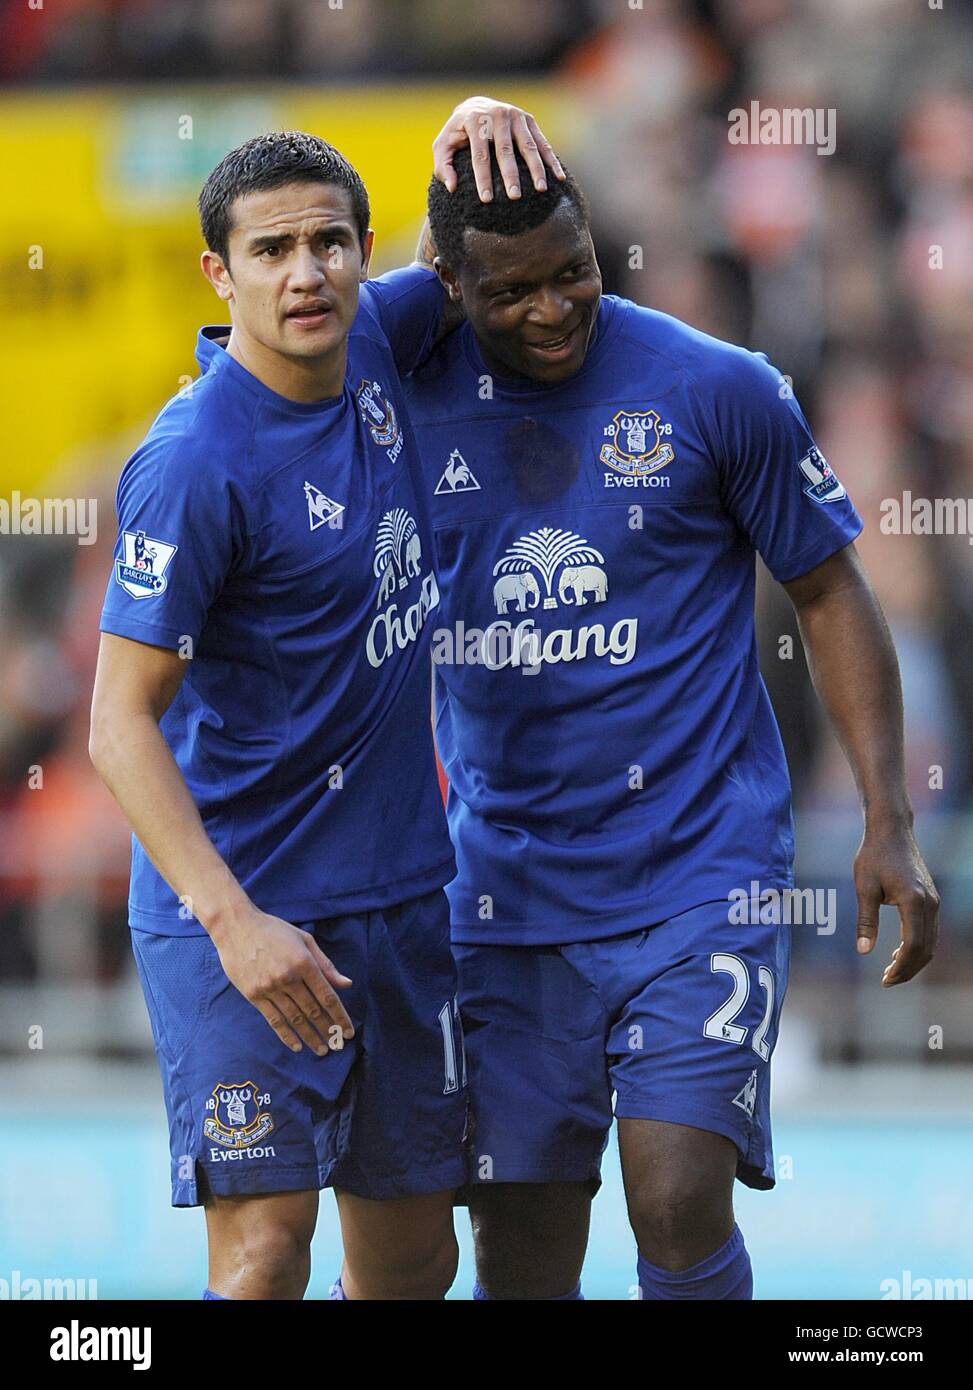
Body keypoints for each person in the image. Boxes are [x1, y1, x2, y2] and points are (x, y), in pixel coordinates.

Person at [403, 116, 940, 1300]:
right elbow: (275, 355)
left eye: (573, 269)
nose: (553, 307)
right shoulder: (399, 397)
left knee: (676, 1192)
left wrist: (886, 819)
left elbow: (831, 589)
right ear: (445, 287)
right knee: (521, 1245)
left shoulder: (718, 389)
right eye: (512, 291)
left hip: (699, 872)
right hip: (501, 890)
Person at [89, 106, 557, 1300]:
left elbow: (450, 252)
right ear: (220, 273)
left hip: (398, 905)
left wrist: (465, 122)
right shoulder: (196, 461)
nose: (308, 273)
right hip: (240, 911)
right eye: (272, 250)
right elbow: (116, 721)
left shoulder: (383, 340)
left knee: (411, 1261)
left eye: (331, 243)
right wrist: (234, 925)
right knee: (265, 1250)